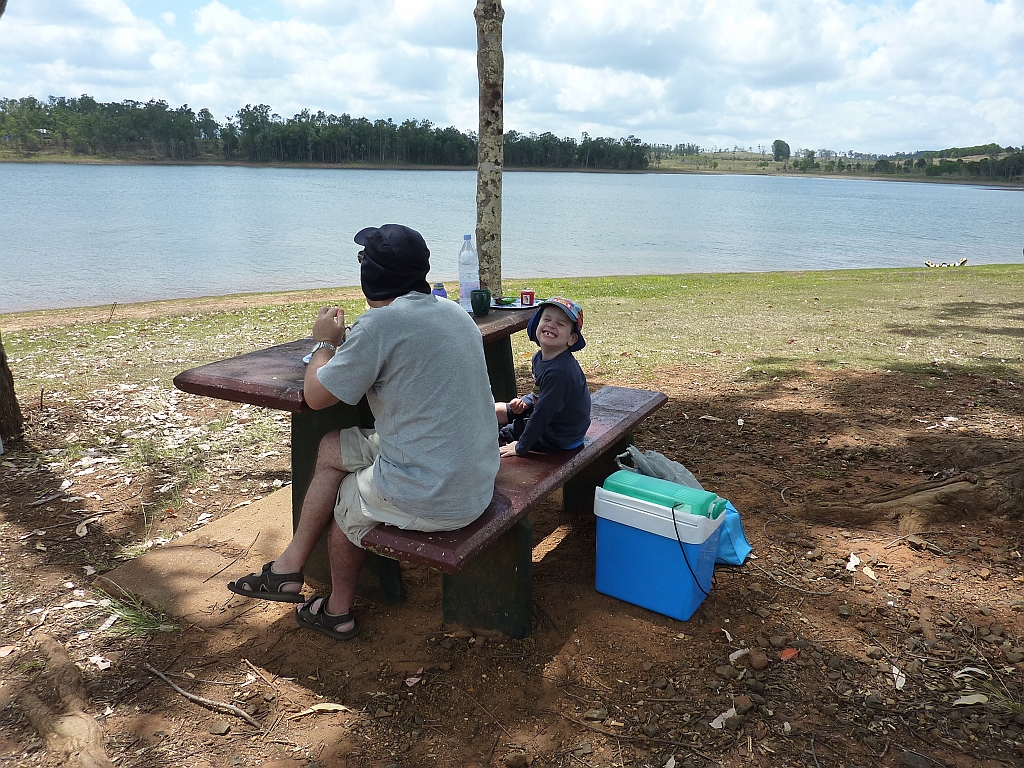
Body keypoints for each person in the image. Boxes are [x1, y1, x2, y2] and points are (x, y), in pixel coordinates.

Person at [227, 224, 500, 641]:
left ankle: (337, 611)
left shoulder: (378, 327)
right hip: (474, 474)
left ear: (371, 275)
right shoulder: (453, 313)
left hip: (441, 493)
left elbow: (316, 396)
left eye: (362, 261)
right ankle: (288, 568)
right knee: (332, 447)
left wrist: (324, 343)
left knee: (348, 498)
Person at [496, 297, 591, 458]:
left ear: (572, 339)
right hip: (551, 418)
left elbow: (542, 415)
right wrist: (525, 403)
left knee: (500, 435)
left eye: (560, 324)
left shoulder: (559, 374)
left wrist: (520, 447)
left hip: (560, 435)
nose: (551, 325)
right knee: (497, 410)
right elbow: (540, 393)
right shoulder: (539, 358)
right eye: (546, 319)